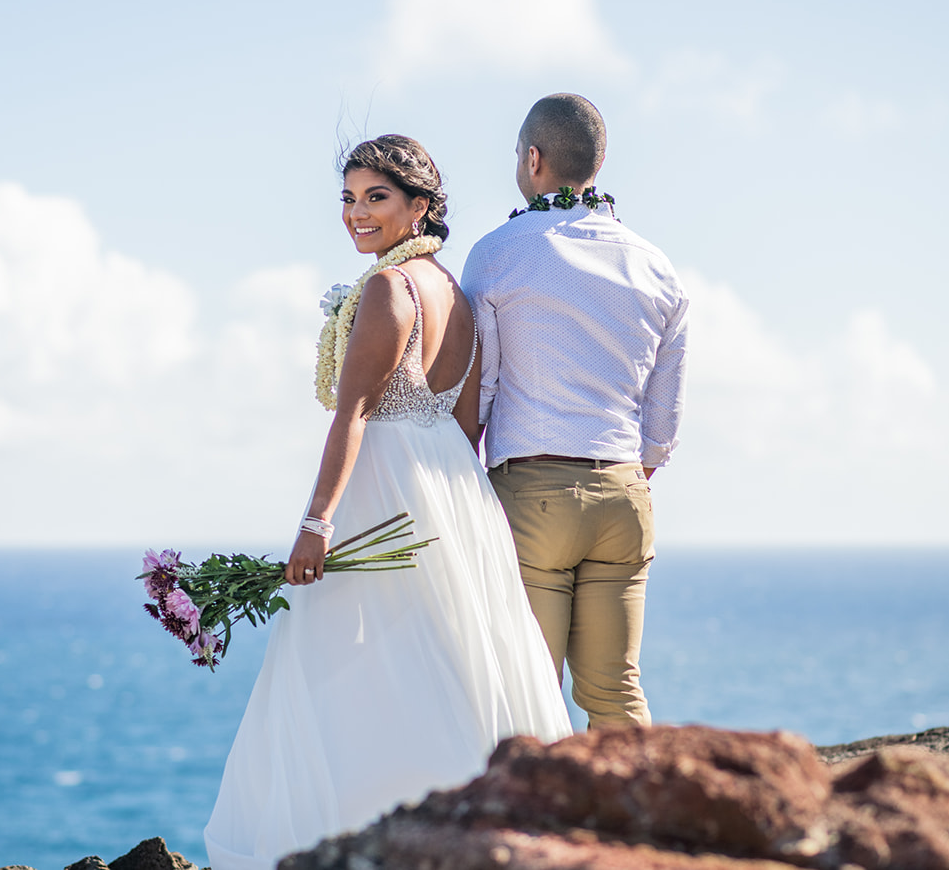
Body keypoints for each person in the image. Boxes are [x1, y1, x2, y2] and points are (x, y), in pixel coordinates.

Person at [204, 135, 573, 870]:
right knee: (444, 657)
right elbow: (468, 422)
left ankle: (363, 828)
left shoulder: (387, 289)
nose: (356, 213)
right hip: (449, 488)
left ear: (421, 207)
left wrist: (316, 525)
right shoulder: (460, 300)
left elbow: (355, 414)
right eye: (348, 197)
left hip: (384, 485)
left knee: (351, 664)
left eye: (376, 197)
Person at [461, 94, 688, 730]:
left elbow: (481, 392)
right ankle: (640, 824)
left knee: (526, 696)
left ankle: (527, 829)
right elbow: (664, 423)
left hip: (532, 492)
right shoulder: (657, 267)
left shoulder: (498, 253)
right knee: (617, 694)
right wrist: (625, 472)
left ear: (533, 159)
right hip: (623, 492)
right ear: (600, 161)